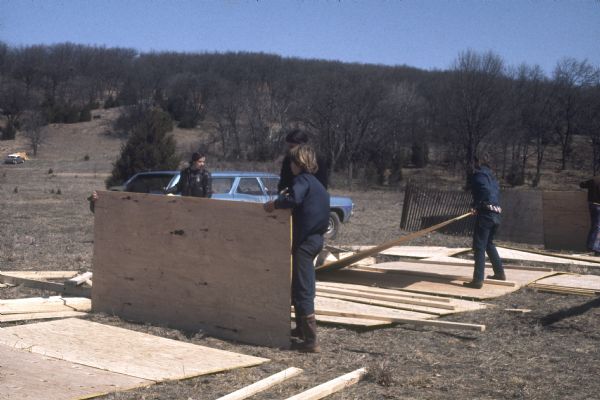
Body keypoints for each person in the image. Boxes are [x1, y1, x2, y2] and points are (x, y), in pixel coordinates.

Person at [264, 144, 329, 352]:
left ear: (299, 163)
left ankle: (311, 340)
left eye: (292, 162)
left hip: (305, 242)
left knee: (302, 287)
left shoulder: (301, 181)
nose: (290, 166)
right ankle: (301, 330)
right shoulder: (317, 184)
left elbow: (293, 199)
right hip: (317, 239)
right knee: (302, 283)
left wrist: (275, 203)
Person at [463, 154, 506, 289]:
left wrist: (475, 206)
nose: (471, 165)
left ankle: (477, 280)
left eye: (473, 162)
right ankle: (499, 273)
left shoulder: (479, 175)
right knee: (489, 244)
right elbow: (492, 193)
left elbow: (484, 191)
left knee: (479, 246)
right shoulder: (492, 178)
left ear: (478, 162)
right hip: (496, 214)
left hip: (486, 214)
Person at [278, 129, 328, 194]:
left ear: (303, 146)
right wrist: (284, 197)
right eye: (288, 147)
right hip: (291, 198)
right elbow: (283, 183)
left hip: (310, 198)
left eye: (292, 147)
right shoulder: (288, 160)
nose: (290, 150)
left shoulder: (317, 160)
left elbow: (322, 185)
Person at [580, 176, 600, 256]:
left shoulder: (594, 180)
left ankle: (590, 246)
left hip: (592, 205)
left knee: (594, 226)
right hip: (599, 205)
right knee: (598, 227)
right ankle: (594, 248)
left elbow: (581, 184)